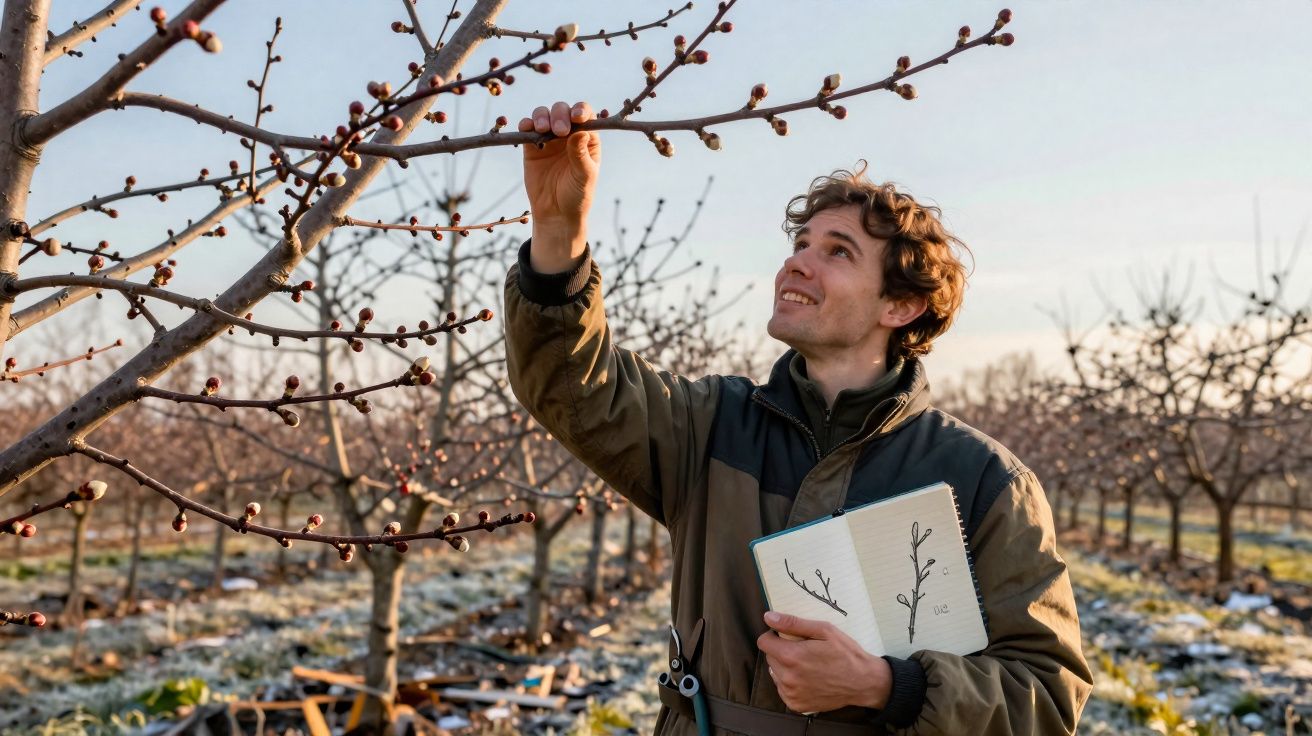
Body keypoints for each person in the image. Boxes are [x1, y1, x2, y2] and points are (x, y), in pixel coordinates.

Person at [504, 100, 1092, 735]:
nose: (796, 262)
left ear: (900, 304)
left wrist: (889, 687)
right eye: (800, 244)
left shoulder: (981, 479)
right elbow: (576, 388)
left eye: (838, 252)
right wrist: (558, 229)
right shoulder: (711, 427)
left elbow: (1047, 697)